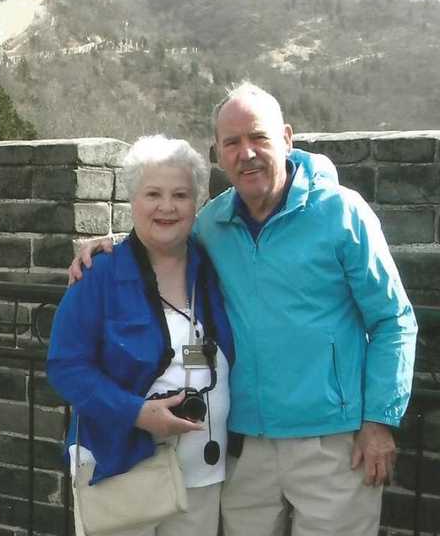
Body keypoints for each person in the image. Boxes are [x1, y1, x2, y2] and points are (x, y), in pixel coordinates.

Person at [69, 82, 418, 536]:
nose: (246, 153)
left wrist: (380, 422)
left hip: (332, 441)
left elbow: (393, 320)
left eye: (259, 138)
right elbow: (164, 236)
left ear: (288, 139)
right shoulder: (214, 222)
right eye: (232, 143)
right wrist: (111, 247)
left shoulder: (342, 214)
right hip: (244, 445)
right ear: (218, 154)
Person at [48, 135, 235, 536]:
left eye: (180, 195)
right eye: (153, 193)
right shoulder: (99, 275)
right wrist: (134, 412)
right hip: (123, 468)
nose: (167, 206)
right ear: (133, 199)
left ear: (197, 203)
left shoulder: (213, 267)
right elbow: (66, 366)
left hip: (202, 471)